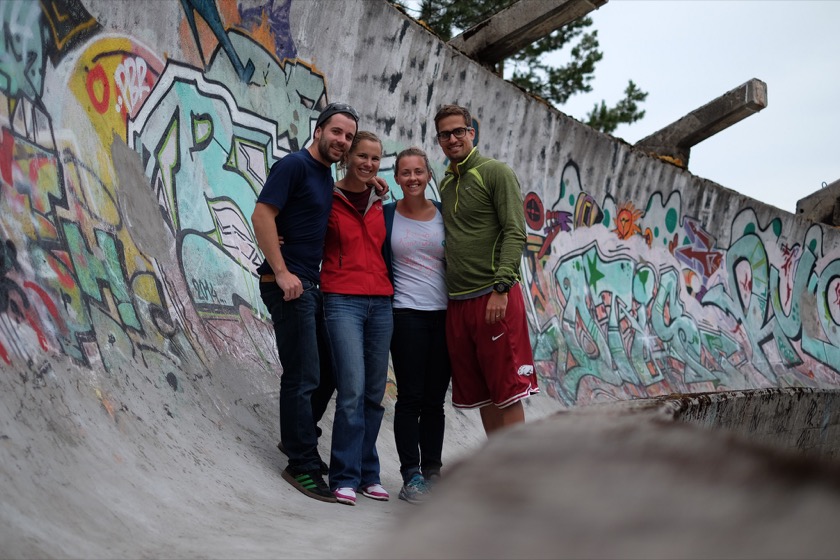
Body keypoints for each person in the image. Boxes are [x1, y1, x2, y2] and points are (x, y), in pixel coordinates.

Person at [251, 102, 359, 503]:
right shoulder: (294, 165)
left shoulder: (325, 176)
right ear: (318, 130)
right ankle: (301, 463)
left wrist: (372, 186)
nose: (342, 141)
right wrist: (281, 272)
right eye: (337, 132)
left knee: (329, 368)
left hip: (310, 285)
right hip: (288, 284)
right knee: (302, 374)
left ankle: (297, 437)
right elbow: (263, 214)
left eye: (348, 136)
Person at [433, 104, 539, 435]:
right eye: (445, 134)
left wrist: (501, 288)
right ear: (439, 140)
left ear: (471, 133)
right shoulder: (448, 182)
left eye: (458, 131)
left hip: (494, 297)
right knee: (485, 395)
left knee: (508, 392)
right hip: (459, 303)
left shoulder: (495, 172)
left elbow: (515, 231)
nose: (452, 139)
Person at [320, 131, 394, 506]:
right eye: (362, 156)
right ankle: (344, 476)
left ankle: (369, 474)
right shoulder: (328, 198)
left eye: (375, 159)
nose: (368, 164)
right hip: (342, 301)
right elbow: (300, 228)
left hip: (381, 304)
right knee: (351, 390)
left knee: (373, 395)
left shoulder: (383, 202)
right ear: (347, 157)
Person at [383, 147, 451, 504]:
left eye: (419, 172)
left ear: (428, 176)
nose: (412, 178)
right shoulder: (387, 215)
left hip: (444, 315)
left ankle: (434, 471)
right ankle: (412, 475)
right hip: (405, 314)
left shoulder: (444, 214)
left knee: (435, 401)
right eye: (405, 172)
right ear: (396, 178)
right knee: (410, 398)